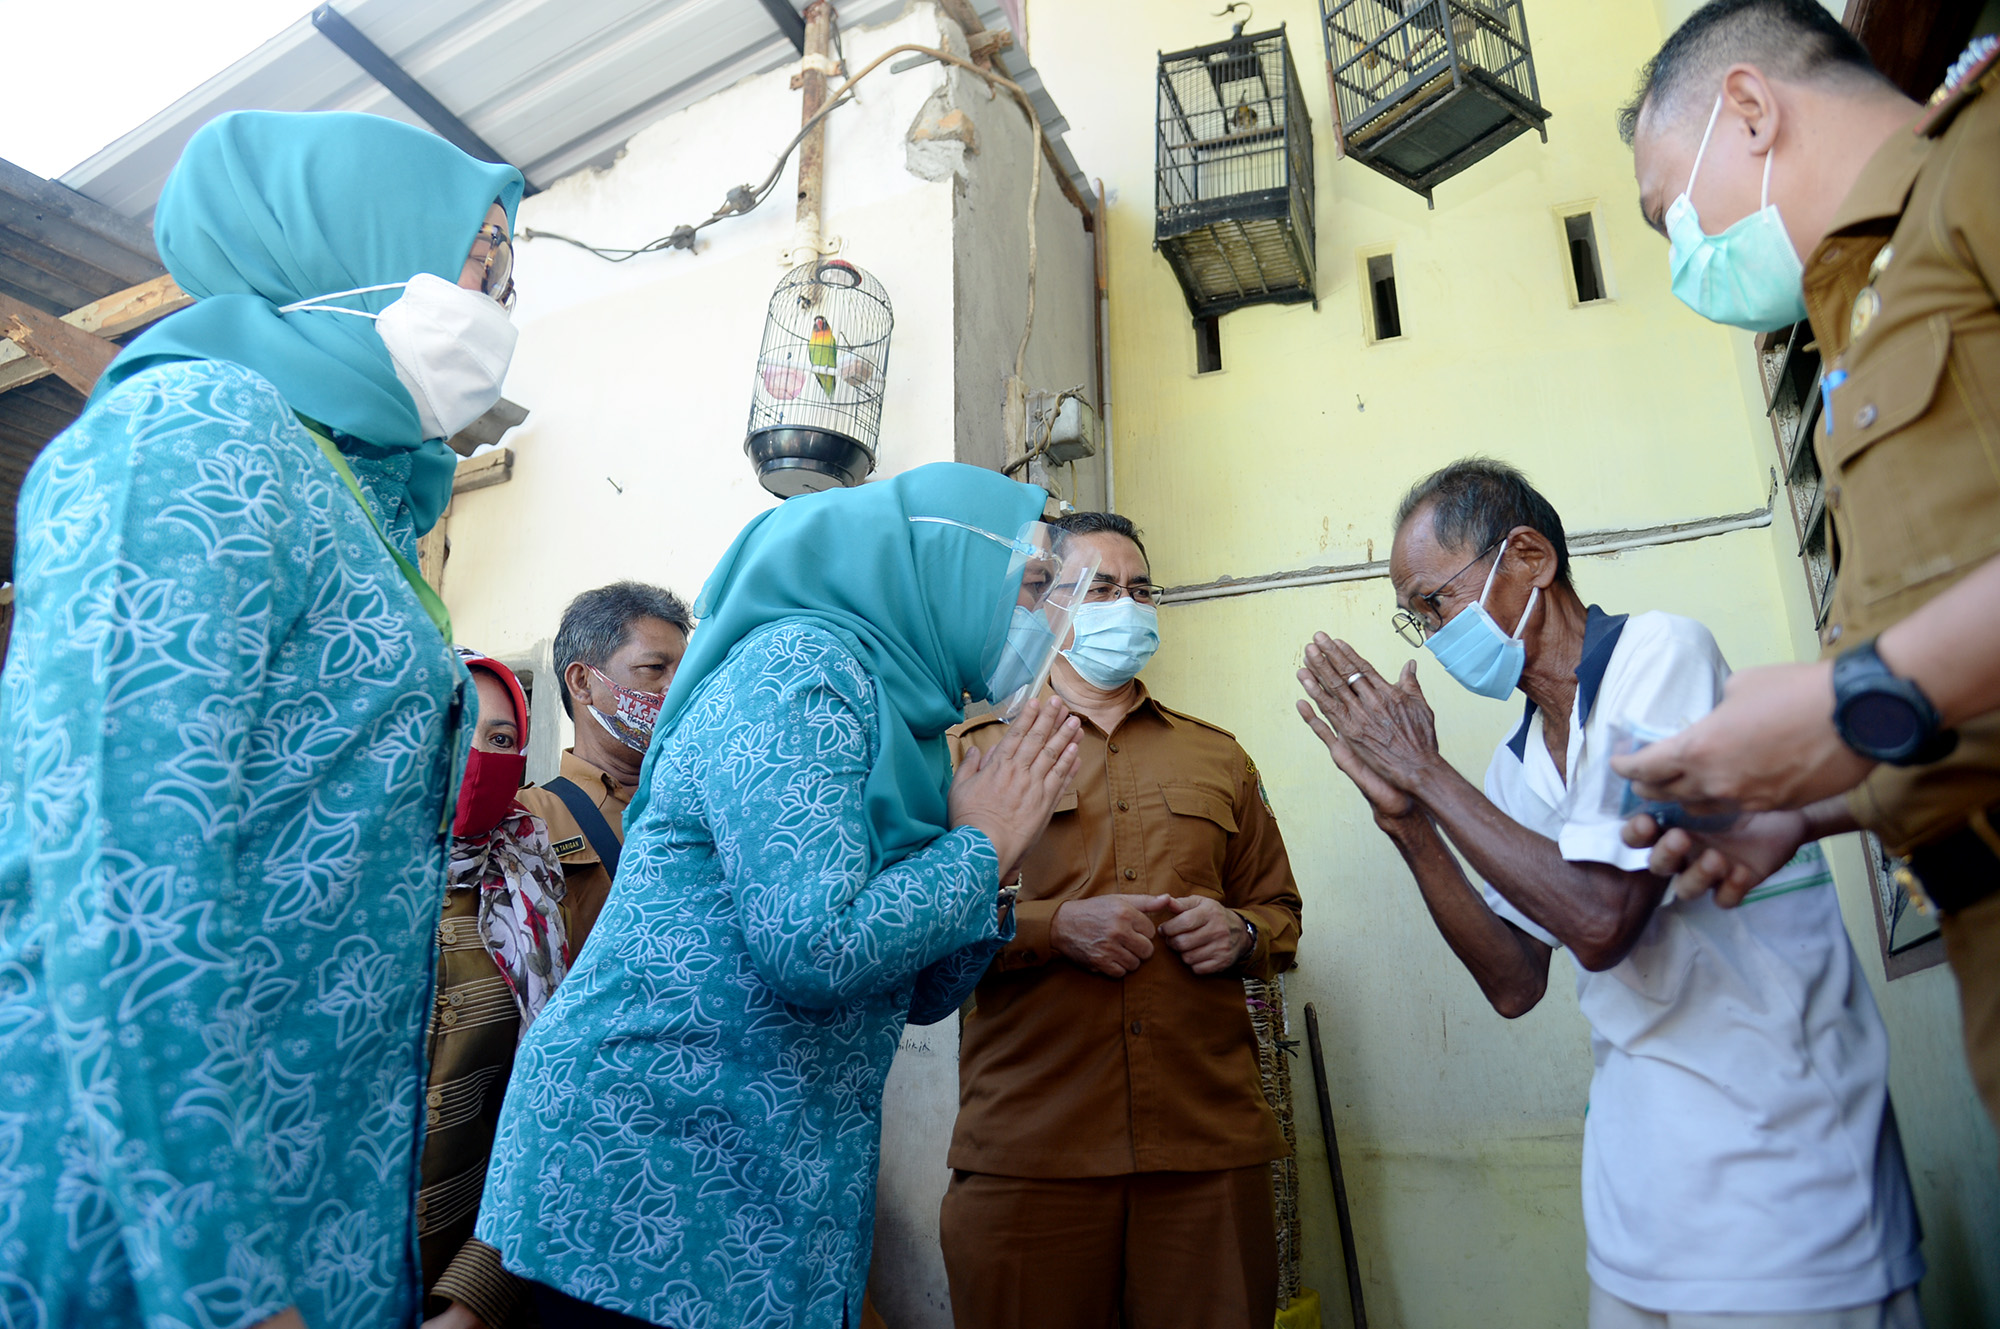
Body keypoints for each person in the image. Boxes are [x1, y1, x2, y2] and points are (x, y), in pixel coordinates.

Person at [0, 110, 523, 1328]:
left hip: (310, 1182)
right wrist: (228, 1290)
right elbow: (123, 882)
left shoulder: (346, 484)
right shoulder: (193, 436)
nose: (496, 303)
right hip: (160, 1232)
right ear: (351, 240)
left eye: (507, 276)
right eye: (477, 261)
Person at [1295, 460, 1923, 1329]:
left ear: (1530, 556)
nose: (1430, 637)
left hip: (1780, 1171)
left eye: (1434, 602)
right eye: (1415, 616)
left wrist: (1427, 773)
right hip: (1640, 1185)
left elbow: (1600, 919)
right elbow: (1516, 982)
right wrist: (1408, 822)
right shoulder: (1512, 769)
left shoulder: (1659, 655)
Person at [476, 464, 1092, 1329]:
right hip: (653, 1162)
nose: (1042, 621)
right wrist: (978, 850)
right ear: (939, 567)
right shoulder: (799, 673)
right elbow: (816, 948)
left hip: (763, 1167)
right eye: (1029, 586)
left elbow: (916, 992)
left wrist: (989, 863)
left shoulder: (909, 723)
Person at [1618, 0, 2000, 1128]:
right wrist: (1805, 809)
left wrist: (1847, 705)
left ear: (1746, 108)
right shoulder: (1859, 322)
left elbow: (1900, 680)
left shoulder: (1976, 166)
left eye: (1665, 215)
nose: (1684, 256)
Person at [940, 511, 1303, 1329]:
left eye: (1139, 588)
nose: (1126, 604)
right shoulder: (973, 753)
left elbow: (1279, 911)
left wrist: (1240, 933)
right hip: (1033, 1152)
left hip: (1207, 1151)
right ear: (1045, 607)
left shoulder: (1219, 755)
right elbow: (918, 928)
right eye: (1100, 587)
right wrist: (1052, 929)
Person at [423, 651, 570, 1329]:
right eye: (458, 726)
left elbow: (542, 1120)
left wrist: (472, 1300)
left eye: (504, 739)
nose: (480, 754)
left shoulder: (527, 893)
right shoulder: (322, 887)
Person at [514, 581, 690, 960]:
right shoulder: (525, 820)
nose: (679, 688)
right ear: (582, 682)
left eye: (686, 670)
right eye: (654, 668)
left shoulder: (702, 800)